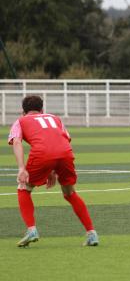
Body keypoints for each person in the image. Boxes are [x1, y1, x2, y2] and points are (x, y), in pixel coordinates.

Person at [8, 95, 99, 247]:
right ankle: (92, 233)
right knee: (70, 193)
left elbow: (17, 141)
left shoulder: (20, 121)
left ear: (23, 112)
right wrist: (53, 170)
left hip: (43, 153)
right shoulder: (55, 118)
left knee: (23, 187)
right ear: (42, 109)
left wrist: (21, 168)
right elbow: (64, 139)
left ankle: (31, 230)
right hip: (65, 152)